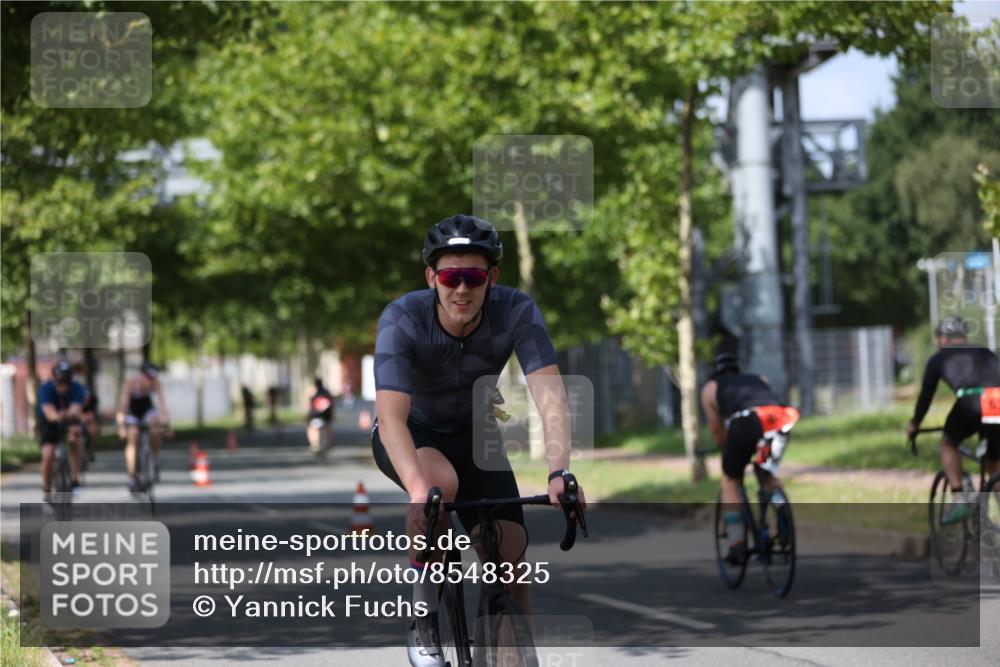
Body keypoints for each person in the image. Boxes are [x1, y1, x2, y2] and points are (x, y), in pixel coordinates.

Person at [372, 214, 583, 667]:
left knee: (510, 558)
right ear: (432, 278)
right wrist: (415, 490)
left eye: (474, 277)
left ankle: (516, 657)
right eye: (451, 276)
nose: (462, 289)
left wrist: (559, 471)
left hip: (476, 437)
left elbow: (552, 399)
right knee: (436, 487)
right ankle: (424, 617)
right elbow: (390, 418)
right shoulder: (403, 318)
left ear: (493, 278)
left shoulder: (517, 310)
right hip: (413, 435)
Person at [700, 353, 798, 565]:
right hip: (778, 418)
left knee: (730, 480)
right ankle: (783, 516)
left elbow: (717, 433)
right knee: (765, 472)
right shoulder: (759, 378)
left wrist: (729, 450)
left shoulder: (710, 388)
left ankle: (737, 543)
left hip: (745, 422)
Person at [906, 316, 1000, 523]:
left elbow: (926, 396)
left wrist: (915, 423)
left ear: (942, 339)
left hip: (970, 401)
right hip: (997, 401)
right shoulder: (986, 352)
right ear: (964, 336)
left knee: (949, 442)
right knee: (994, 464)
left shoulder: (939, 358)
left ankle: (960, 496)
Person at [116, 361, 172, 492]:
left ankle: (155, 459)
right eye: (148, 378)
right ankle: (132, 476)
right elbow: (123, 407)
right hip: (133, 411)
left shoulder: (156, 383)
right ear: (141, 375)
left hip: (147, 409)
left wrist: (167, 425)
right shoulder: (130, 383)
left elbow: (162, 405)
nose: (151, 381)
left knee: (155, 428)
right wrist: (122, 425)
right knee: (133, 437)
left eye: (153, 378)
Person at [37, 360, 87, 500]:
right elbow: (49, 413)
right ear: (54, 379)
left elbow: (76, 408)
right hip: (49, 423)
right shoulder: (46, 389)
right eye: (60, 381)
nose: (63, 385)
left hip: (69, 419)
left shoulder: (77, 388)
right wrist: (59, 415)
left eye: (66, 381)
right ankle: (47, 490)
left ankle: (75, 479)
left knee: (76, 437)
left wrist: (70, 414)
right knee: (48, 454)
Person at [306, 378, 334, 459]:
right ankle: (328, 443)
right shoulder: (326, 392)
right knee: (328, 428)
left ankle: (314, 444)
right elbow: (332, 405)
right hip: (325, 416)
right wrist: (332, 415)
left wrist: (307, 414)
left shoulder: (312, 392)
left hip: (314, 416)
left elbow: (308, 405)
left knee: (311, 429)